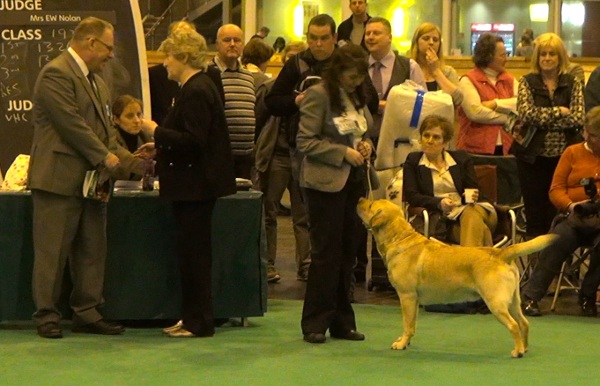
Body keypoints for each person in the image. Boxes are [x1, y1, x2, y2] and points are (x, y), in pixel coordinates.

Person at [27, 17, 124, 339]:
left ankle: (87, 312)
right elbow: (71, 125)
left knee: (92, 250)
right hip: (57, 180)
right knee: (51, 253)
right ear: (91, 42)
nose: (111, 55)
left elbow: (105, 131)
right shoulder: (56, 73)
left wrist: (131, 159)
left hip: (92, 183)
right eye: (108, 48)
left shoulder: (98, 80)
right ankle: (46, 316)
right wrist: (106, 157)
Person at [140, 28, 236, 338]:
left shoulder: (196, 89)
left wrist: (156, 131)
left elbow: (195, 141)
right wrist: (161, 146)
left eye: (168, 55)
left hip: (194, 187)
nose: (164, 62)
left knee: (194, 257)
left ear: (182, 57)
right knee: (192, 255)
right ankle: (192, 317)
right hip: (192, 186)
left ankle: (199, 322)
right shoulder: (195, 87)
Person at [298, 44, 373, 344]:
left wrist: (365, 145)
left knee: (347, 255)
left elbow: (360, 132)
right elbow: (305, 141)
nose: (356, 81)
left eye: (360, 76)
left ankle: (342, 322)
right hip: (324, 185)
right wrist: (342, 152)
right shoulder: (318, 95)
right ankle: (315, 322)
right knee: (325, 254)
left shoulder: (356, 95)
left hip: (353, 184)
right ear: (338, 71)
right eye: (352, 76)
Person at [521, 106, 600, 317]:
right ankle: (531, 296)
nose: (592, 139)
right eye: (590, 134)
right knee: (557, 240)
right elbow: (555, 190)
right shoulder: (572, 152)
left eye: (597, 136)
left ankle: (588, 295)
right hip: (573, 216)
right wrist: (571, 205)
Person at [515, 32, 584, 239]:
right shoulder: (527, 82)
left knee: (560, 214)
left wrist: (543, 119)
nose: (546, 58)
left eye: (552, 54)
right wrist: (559, 112)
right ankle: (536, 265)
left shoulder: (572, 82)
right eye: (543, 54)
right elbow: (526, 114)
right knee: (535, 216)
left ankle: (558, 265)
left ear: (560, 57)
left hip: (564, 160)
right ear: (537, 57)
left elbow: (578, 118)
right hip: (531, 159)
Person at [254, 40, 310, 283]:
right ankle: (267, 264)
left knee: (303, 215)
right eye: (290, 58)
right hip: (277, 155)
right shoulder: (270, 88)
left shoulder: (314, 90)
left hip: (303, 156)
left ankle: (306, 264)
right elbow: (260, 119)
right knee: (269, 211)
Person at [403, 115, 497, 247]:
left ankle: (468, 266)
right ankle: (482, 265)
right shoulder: (413, 161)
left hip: (477, 210)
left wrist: (472, 195)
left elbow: (473, 190)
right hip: (446, 220)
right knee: (482, 233)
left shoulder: (461, 159)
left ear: (445, 143)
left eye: (436, 137)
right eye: (426, 135)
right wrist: (438, 203)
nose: (429, 141)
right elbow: (411, 196)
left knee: (470, 212)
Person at [149, 20, 224, 125]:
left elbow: (193, 137)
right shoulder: (154, 75)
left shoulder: (198, 87)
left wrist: (155, 131)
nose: (165, 63)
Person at [457, 33, 518, 156]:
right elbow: (475, 113)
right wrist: (510, 119)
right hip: (475, 151)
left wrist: (495, 104)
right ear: (488, 57)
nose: (506, 59)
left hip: (508, 149)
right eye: (502, 55)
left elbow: (521, 105)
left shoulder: (510, 80)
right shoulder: (467, 80)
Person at [210, 24, 256, 180]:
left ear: (242, 45)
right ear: (217, 44)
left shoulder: (249, 77)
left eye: (237, 40)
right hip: (218, 156)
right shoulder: (208, 74)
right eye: (226, 40)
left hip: (245, 158)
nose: (232, 44)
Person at [410, 22, 463, 106]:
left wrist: (436, 71)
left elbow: (458, 99)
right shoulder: (407, 69)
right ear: (416, 42)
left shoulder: (448, 72)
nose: (431, 42)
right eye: (426, 38)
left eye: (435, 40)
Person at [111, 95, 151, 180]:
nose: (137, 120)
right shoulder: (110, 139)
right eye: (129, 116)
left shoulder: (145, 137)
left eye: (139, 115)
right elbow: (130, 162)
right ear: (116, 119)